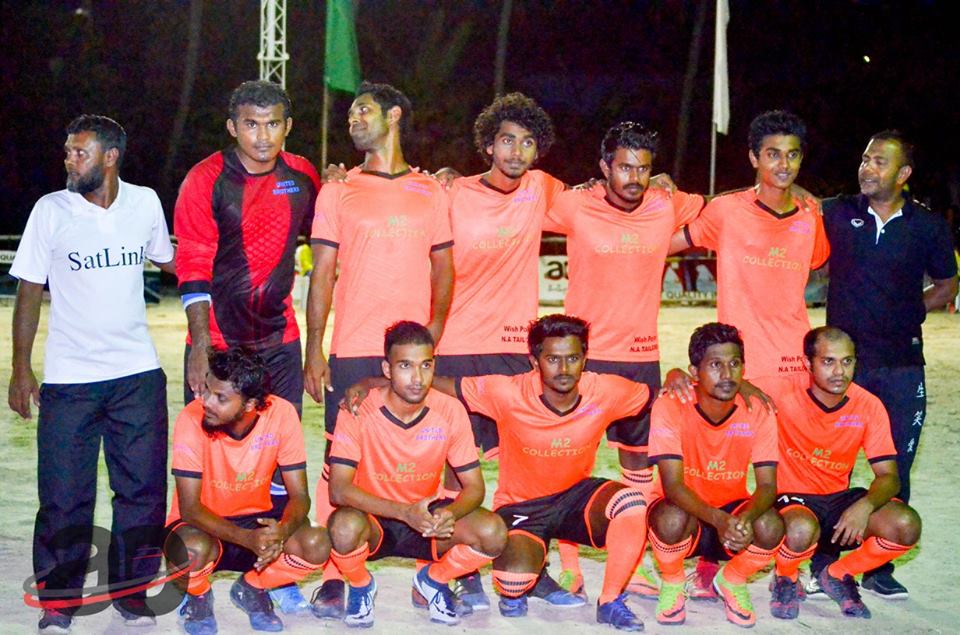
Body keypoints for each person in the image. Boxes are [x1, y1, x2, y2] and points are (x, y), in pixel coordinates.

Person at [8, 115, 175, 632]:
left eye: (79, 152)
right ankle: (60, 601)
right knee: (64, 496)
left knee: (142, 492)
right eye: (67, 151)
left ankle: (131, 594)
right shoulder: (50, 210)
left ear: (110, 157)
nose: (69, 159)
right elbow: (29, 289)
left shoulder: (145, 203)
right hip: (69, 379)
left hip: (137, 375)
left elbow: (171, 260)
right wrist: (20, 368)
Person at [304, 80, 454, 617]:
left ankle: (435, 568)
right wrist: (315, 347)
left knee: (426, 455)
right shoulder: (337, 190)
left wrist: (434, 330)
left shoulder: (431, 190)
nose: (353, 119)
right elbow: (322, 274)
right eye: (350, 114)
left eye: (362, 110)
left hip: (413, 352)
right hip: (354, 346)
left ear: (393, 116)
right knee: (338, 460)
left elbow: (444, 267)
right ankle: (334, 574)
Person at [668, 110, 829, 597]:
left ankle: (789, 570)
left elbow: (824, 260)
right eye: (773, 154)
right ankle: (710, 562)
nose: (783, 164)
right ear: (754, 158)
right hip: (737, 362)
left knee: (794, 469)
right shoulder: (726, 210)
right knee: (727, 467)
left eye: (792, 155)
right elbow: (666, 242)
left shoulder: (811, 216)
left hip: (794, 361)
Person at [174, 79, 321, 612]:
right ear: (233, 127)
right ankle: (200, 568)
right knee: (212, 456)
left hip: (279, 340)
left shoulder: (303, 176)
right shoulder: (205, 179)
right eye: (251, 124)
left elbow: (341, 217)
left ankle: (274, 572)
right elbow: (192, 261)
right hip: (219, 341)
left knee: (281, 461)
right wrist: (198, 344)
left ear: (288, 127)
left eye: (273, 124)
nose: (262, 136)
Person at [545, 121, 706, 597]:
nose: (634, 177)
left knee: (638, 467)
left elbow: (717, 206)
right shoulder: (576, 204)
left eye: (644, 168)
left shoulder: (667, 203)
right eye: (624, 167)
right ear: (604, 167)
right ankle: (569, 566)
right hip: (583, 361)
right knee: (568, 465)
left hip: (639, 359)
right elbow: (520, 195)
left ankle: (631, 561)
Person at [435, 91, 570, 609]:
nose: (517, 151)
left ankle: (529, 564)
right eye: (507, 140)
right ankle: (461, 567)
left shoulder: (542, 189)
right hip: (455, 345)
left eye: (527, 142)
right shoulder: (452, 192)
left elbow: (606, 199)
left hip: (514, 350)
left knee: (526, 467)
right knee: (456, 468)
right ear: (488, 146)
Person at [818, 131, 957, 596]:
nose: (867, 168)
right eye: (865, 159)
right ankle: (823, 559)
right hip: (842, 369)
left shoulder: (928, 226)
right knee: (829, 465)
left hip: (901, 365)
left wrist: (909, 310)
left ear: (903, 174)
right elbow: (785, 199)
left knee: (896, 464)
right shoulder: (837, 212)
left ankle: (878, 567)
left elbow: (947, 285)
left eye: (879, 161)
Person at [323, 321, 506, 627]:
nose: (417, 378)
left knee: (493, 532)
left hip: (425, 517)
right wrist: (402, 512)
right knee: (342, 528)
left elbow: (475, 487)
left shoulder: (450, 410)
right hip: (374, 517)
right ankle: (360, 585)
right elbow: (338, 490)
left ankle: (433, 580)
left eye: (426, 365)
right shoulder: (357, 409)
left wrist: (450, 514)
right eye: (405, 366)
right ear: (387, 369)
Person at [164, 349, 330, 635]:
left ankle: (253, 587)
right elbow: (189, 508)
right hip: (202, 525)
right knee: (189, 551)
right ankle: (199, 596)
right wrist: (246, 538)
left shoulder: (281, 414)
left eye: (220, 398)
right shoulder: (190, 419)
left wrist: (281, 532)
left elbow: (300, 497)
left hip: (256, 521)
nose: (206, 402)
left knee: (317, 542)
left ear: (250, 404)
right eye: (208, 390)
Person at [770, 327, 922, 619]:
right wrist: (679, 377)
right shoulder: (782, 390)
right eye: (828, 361)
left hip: (838, 501)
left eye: (847, 361)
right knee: (800, 529)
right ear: (807, 363)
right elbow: (727, 384)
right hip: (793, 502)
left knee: (906, 524)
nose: (839, 371)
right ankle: (785, 577)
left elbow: (889, 476)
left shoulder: (868, 405)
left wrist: (864, 506)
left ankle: (836, 574)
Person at [647, 323, 782, 628]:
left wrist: (744, 519)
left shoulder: (757, 408)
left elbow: (767, 485)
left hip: (729, 511)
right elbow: (672, 486)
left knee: (771, 524)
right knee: (670, 518)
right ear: (695, 372)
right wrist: (719, 520)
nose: (727, 374)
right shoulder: (671, 405)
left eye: (734, 364)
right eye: (715, 365)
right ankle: (672, 581)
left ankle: (732, 580)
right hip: (685, 513)